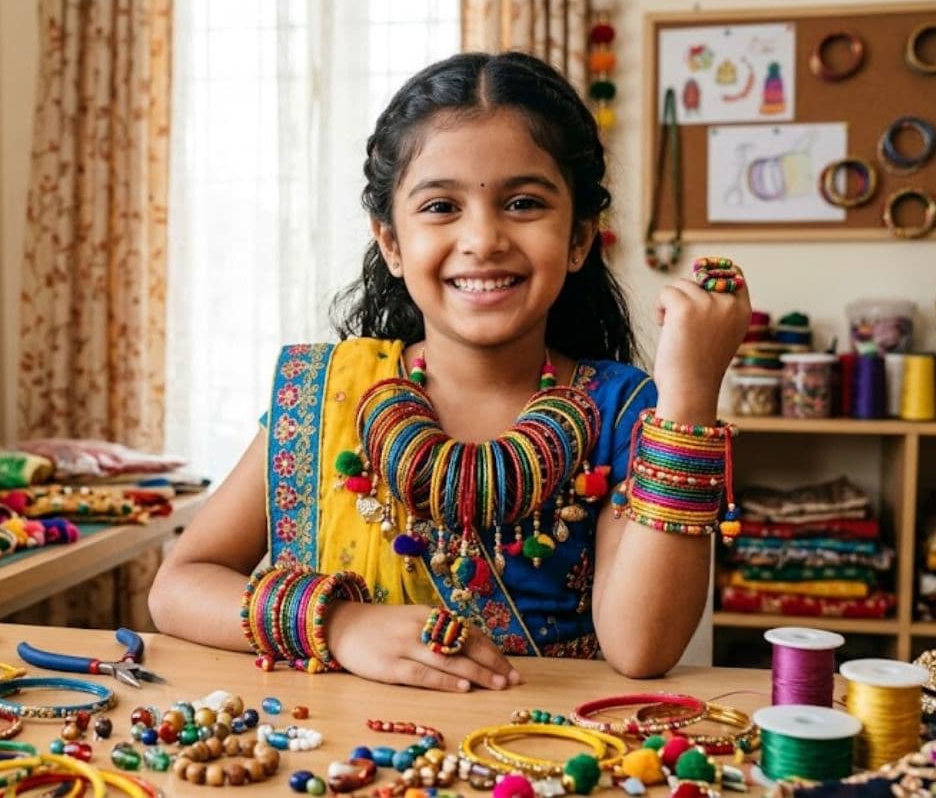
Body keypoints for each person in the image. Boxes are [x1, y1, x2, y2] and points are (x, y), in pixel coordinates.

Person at [149, 51, 750, 689]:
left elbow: (641, 648)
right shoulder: (326, 397)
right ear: (392, 243)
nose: (484, 238)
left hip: (536, 761)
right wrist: (343, 625)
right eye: (440, 207)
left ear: (579, 238)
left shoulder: (623, 408)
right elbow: (179, 586)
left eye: (523, 203)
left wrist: (688, 394)